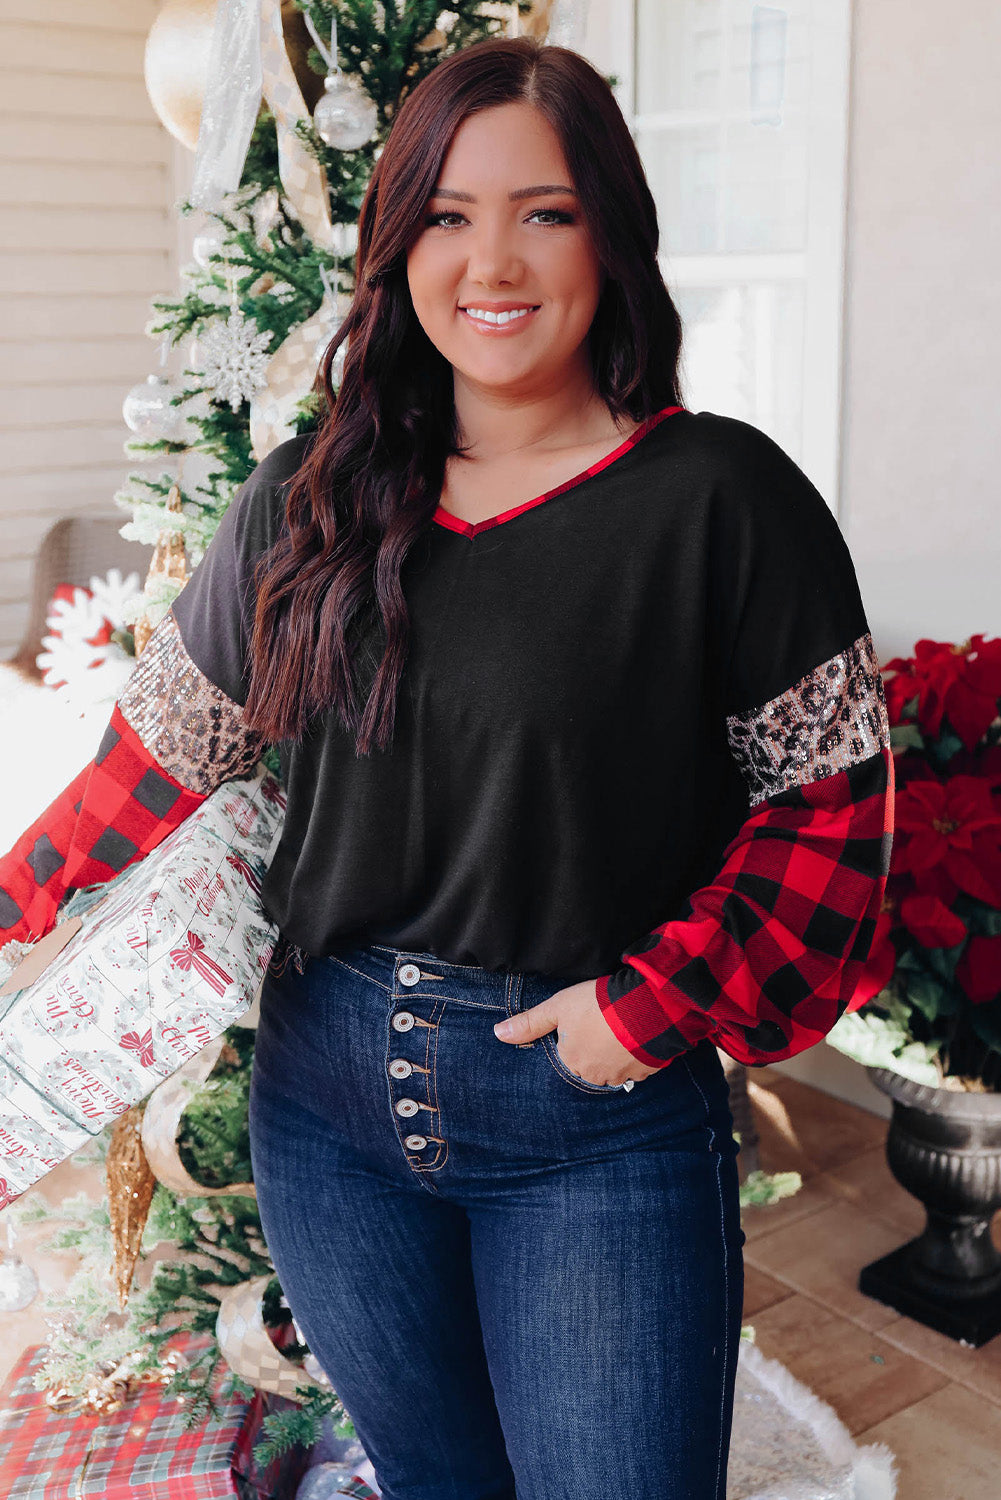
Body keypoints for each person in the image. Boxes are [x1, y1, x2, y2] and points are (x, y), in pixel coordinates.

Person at [0, 35, 894, 1500]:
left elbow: (831, 813)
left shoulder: (721, 501)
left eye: (542, 211)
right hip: (324, 1107)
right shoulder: (306, 497)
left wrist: (650, 1003)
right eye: (446, 213)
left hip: (591, 1120)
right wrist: (11, 902)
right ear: (395, 242)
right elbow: (153, 762)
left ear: (609, 233)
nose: (494, 259)